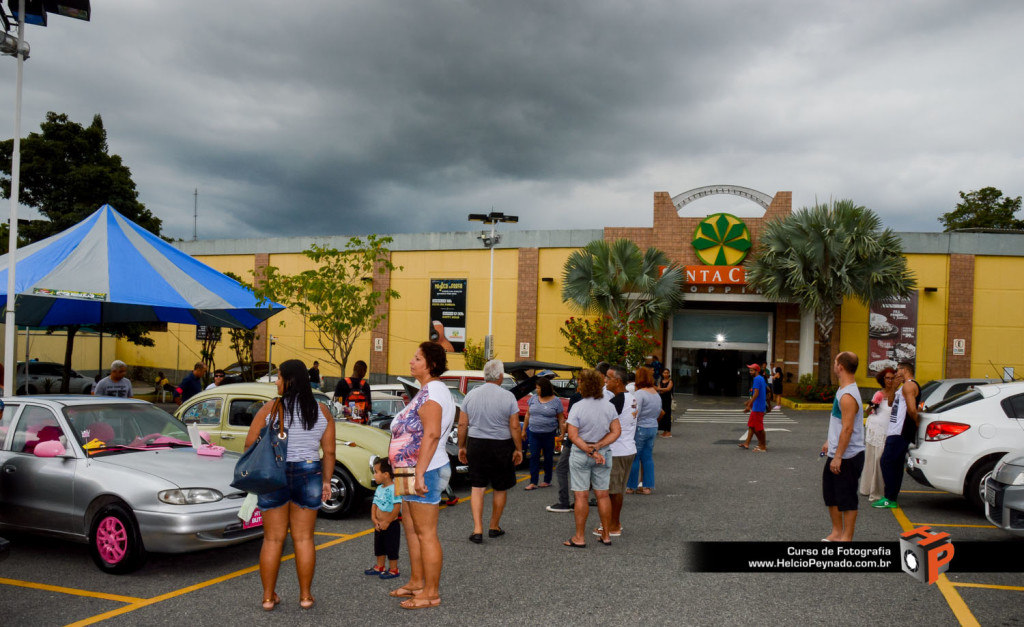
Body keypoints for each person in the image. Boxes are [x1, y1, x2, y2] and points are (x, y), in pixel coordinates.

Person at [244, 359, 336, 610]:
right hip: (309, 471)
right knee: (304, 539)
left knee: (273, 539)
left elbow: (249, 445)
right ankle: (305, 596)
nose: (276, 381)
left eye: (279, 377)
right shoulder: (321, 410)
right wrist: (327, 481)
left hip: (275, 473)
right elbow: (329, 453)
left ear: (289, 380)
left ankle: (267, 597)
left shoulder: (270, 409)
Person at [388, 342, 455, 609]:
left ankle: (431, 592)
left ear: (432, 365)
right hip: (411, 469)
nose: (411, 361)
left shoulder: (435, 392)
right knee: (413, 530)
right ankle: (417, 582)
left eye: (417, 358)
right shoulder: (425, 391)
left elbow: (432, 434)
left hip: (424, 470)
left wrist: (419, 473)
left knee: (426, 533)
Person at [457, 359, 522, 543]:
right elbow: (515, 426)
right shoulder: (508, 397)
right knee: (500, 487)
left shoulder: (471, 395)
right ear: (500, 376)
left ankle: (477, 529)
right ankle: (494, 526)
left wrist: (462, 446)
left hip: (477, 444)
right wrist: (518, 449)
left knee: (477, 487)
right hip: (501, 444)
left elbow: (462, 424)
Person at [563, 368, 621, 548]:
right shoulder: (609, 405)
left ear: (584, 384)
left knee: (581, 496)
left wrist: (588, 449)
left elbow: (572, 434)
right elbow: (616, 431)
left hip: (581, 453)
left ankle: (579, 537)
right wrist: (598, 447)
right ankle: (605, 534)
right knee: (603, 495)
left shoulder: (578, 407)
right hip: (602, 453)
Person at [821, 351, 865, 541]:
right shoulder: (843, 389)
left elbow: (847, 429)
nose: (834, 365)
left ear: (840, 367)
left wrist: (838, 455)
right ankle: (837, 532)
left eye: (835, 361)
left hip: (848, 456)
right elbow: (838, 423)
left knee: (846, 498)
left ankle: (846, 538)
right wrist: (829, 442)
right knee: (831, 495)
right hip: (837, 451)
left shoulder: (848, 395)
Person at [874, 361, 921, 509]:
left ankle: (890, 497)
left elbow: (912, 409)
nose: (896, 372)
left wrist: (916, 423)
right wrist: (894, 386)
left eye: (898, 369)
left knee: (886, 461)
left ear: (905, 369)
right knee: (895, 463)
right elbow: (890, 404)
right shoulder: (903, 386)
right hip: (894, 429)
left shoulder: (909, 385)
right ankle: (891, 496)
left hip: (901, 431)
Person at [601, 365, 636, 537]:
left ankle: (613, 526)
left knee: (612, 491)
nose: (605, 381)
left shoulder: (616, 401)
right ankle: (615, 522)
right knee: (618, 490)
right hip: (628, 447)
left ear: (618, 381)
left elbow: (603, 425)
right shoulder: (631, 398)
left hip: (617, 450)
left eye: (608, 377)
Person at [860, 368, 896, 502]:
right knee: (871, 458)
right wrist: (873, 404)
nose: (890, 381)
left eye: (892, 378)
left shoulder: (897, 394)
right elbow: (867, 412)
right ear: (883, 379)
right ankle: (867, 488)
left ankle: (878, 490)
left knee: (880, 459)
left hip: (887, 432)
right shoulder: (878, 394)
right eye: (887, 378)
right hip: (874, 428)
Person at [523, 377, 564, 490]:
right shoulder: (533, 399)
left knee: (548, 456)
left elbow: (561, 418)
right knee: (534, 456)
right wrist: (524, 430)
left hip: (548, 433)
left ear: (544, 388)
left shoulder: (556, 401)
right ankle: (533, 481)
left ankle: (547, 480)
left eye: (538, 388)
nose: (536, 390)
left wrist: (562, 433)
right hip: (533, 432)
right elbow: (527, 415)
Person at [626, 367, 662, 494]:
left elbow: (636, 412)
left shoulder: (640, 393)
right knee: (647, 457)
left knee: (635, 457)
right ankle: (647, 486)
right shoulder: (655, 393)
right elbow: (659, 411)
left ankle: (631, 486)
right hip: (652, 426)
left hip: (640, 427)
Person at [546, 388, 583, 513]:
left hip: (575, 441)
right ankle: (581, 501)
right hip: (593, 442)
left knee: (562, 468)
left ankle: (564, 501)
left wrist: (564, 430)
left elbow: (572, 421)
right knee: (582, 472)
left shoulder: (577, 399)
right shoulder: (601, 400)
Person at [366, 457, 403, 579]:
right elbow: (374, 504)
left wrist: (388, 521)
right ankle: (379, 566)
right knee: (379, 546)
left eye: (376, 472)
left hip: (391, 524)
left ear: (386, 474)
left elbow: (397, 507)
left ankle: (393, 569)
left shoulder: (394, 488)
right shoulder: (379, 488)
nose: (374, 475)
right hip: (379, 524)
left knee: (392, 547)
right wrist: (374, 519)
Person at [739, 364, 767, 452]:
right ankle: (750, 443)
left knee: (758, 428)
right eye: (750, 370)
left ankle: (762, 446)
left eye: (752, 370)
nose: (750, 372)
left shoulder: (756, 379)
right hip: (757, 406)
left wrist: (748, 405)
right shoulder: (761, 378)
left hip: (758, 407)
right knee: (752, 426)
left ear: (757, 371)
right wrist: (749, 402)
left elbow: (756, 393)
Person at [656, 367, 674, 437]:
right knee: (662, 414)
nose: (666, 374)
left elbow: (668, 389)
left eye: (667, 373)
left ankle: (668, 431)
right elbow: (659, 390)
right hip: (661, 399)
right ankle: (664, 431)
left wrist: (660, 389)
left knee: (667, 415)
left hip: (667, 400)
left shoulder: (670, 381)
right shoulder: (661, 381)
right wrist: (662, 389)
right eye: (664, 373)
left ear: (669, 374)